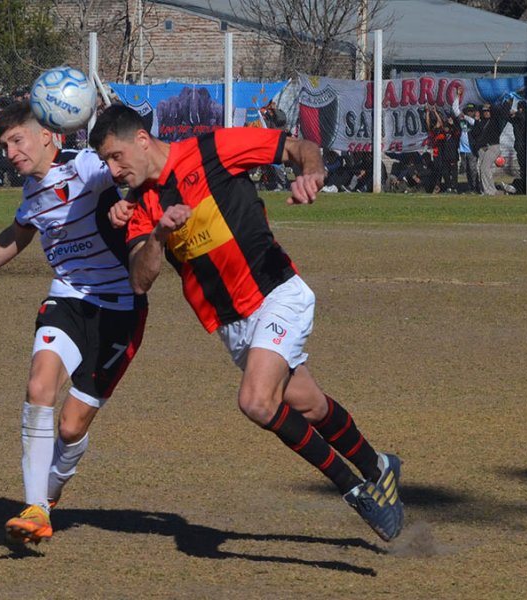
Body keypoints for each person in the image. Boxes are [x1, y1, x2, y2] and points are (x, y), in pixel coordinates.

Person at [88, 105, 404, 542]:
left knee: (256, 400)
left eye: (116, 156)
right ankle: (379, 467)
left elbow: (299, 146)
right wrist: (158, 235)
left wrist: (311, 172)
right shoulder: (140, 207)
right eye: (105, 162)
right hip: (232, 325)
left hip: (276, 292)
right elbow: (139, 282)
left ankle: (353, 489)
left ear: (142, 139)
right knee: (309, 405)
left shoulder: (213, 148)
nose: (113, 169)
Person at [0, 101, 148, 545]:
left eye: (17, 140)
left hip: (119, 310)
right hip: (66, 299)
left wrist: (131, 207)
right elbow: (16, 235)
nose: (10, 152)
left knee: (70, 428)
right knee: (39, 385)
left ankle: (48, 494)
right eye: (4, 145)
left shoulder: (87, 167)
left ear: (47, 134)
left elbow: (137, 172)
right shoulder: (32, 194)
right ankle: (35, 507)